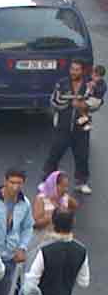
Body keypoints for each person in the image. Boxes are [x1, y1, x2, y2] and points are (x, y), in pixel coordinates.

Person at [43, 59, 104, 195]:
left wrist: (84, 105)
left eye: (77, 70)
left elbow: (97, 102)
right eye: (72, 69)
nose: (73, 72)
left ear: (83, 71)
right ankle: (48, 181)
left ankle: (81, 182)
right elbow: (55, 101)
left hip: (82, 127)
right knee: (55, 154)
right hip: (62, 126)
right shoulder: (62, 83)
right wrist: (71, 103)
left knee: (82, 155)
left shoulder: (91, 85)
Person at [24, 209, 89, 295]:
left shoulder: (45, 250)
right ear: (72, 225)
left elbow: (31, 280)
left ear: (53, 224)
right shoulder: (81, 250)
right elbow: (84, 282)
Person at [31, 170, 77, 253]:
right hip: (43, 241)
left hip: (61, 241)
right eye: (63, 186)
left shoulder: (65, 198)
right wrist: (53, 216)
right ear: (53, 185)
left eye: (67, 186)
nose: (66, 189)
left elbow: (74, 206)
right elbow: (35, 223)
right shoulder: (41, 199)